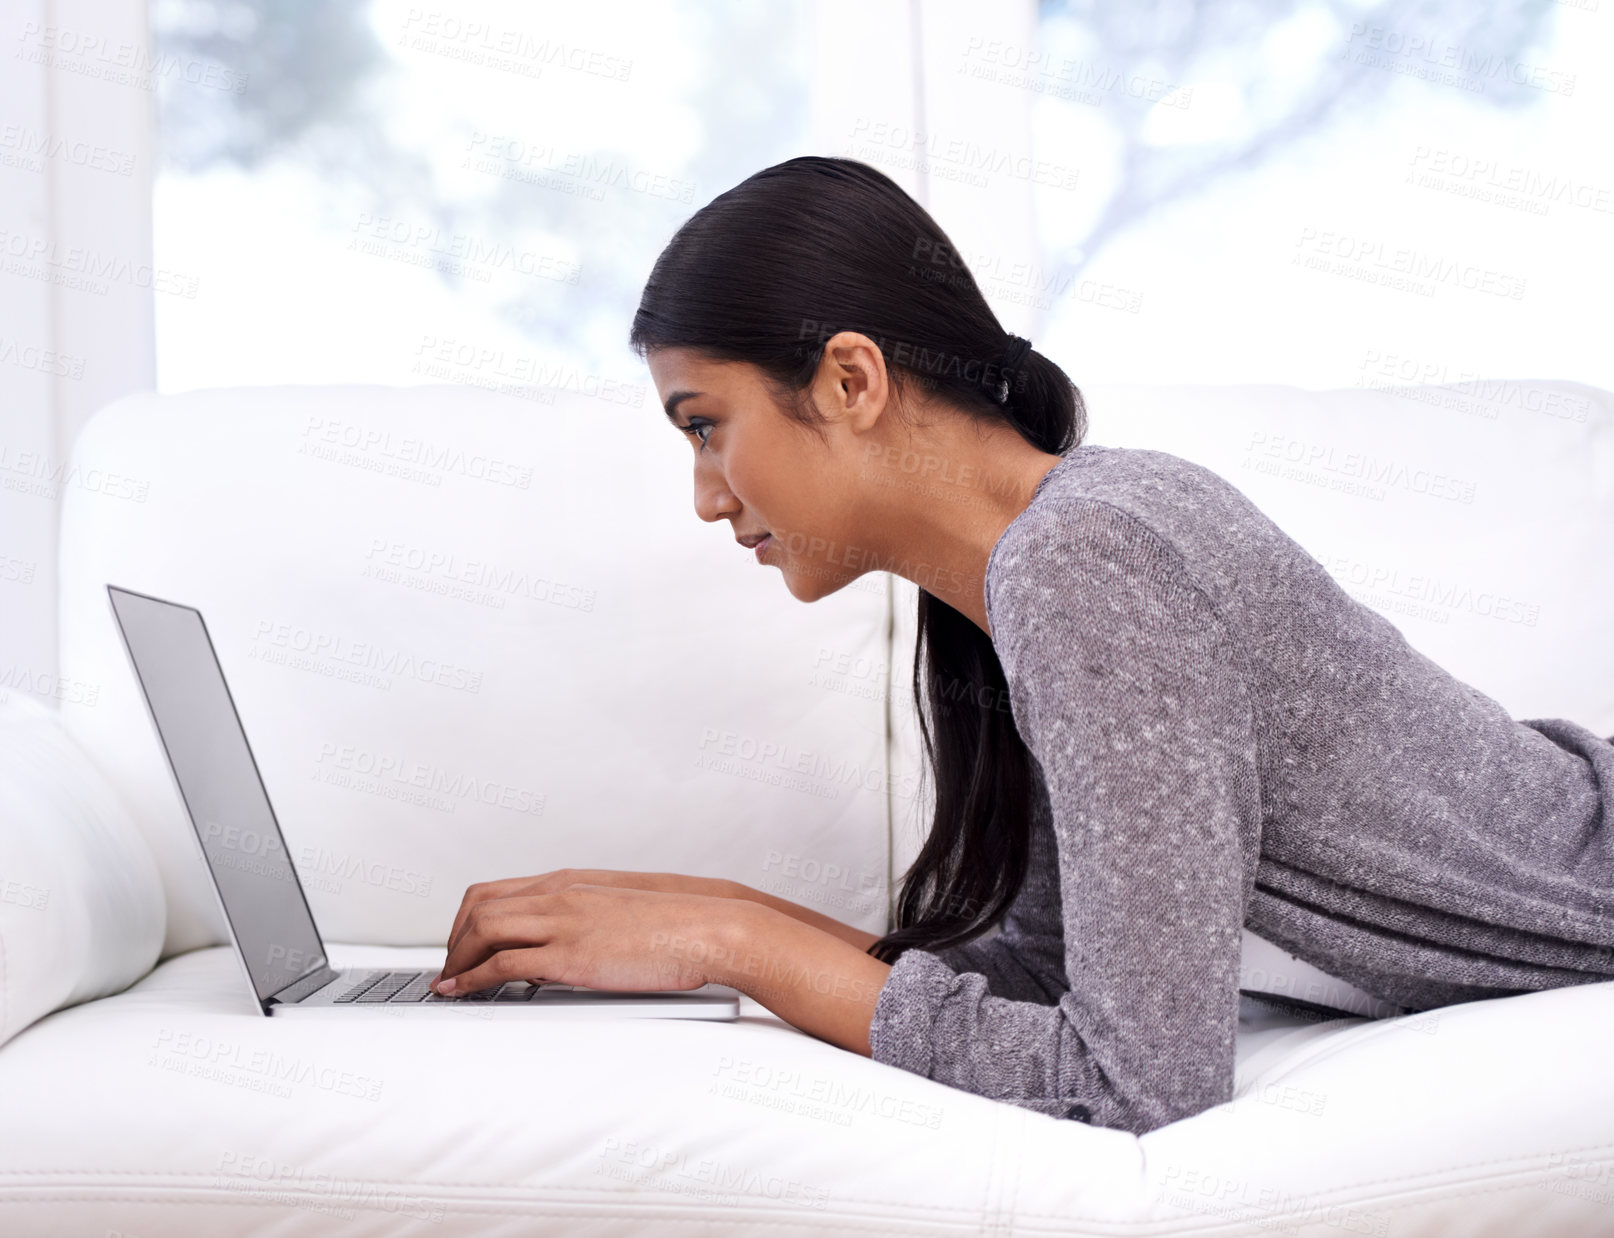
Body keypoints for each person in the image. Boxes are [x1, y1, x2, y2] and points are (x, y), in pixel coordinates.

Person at [431, 155, 1614, 1137]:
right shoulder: (1039, 563)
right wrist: (714, 914)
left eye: (705, 427)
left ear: (850, 379)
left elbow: (1135, 1084)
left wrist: (728, 943)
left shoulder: (1089, 560)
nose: (704, 494)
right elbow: (1052, 982)